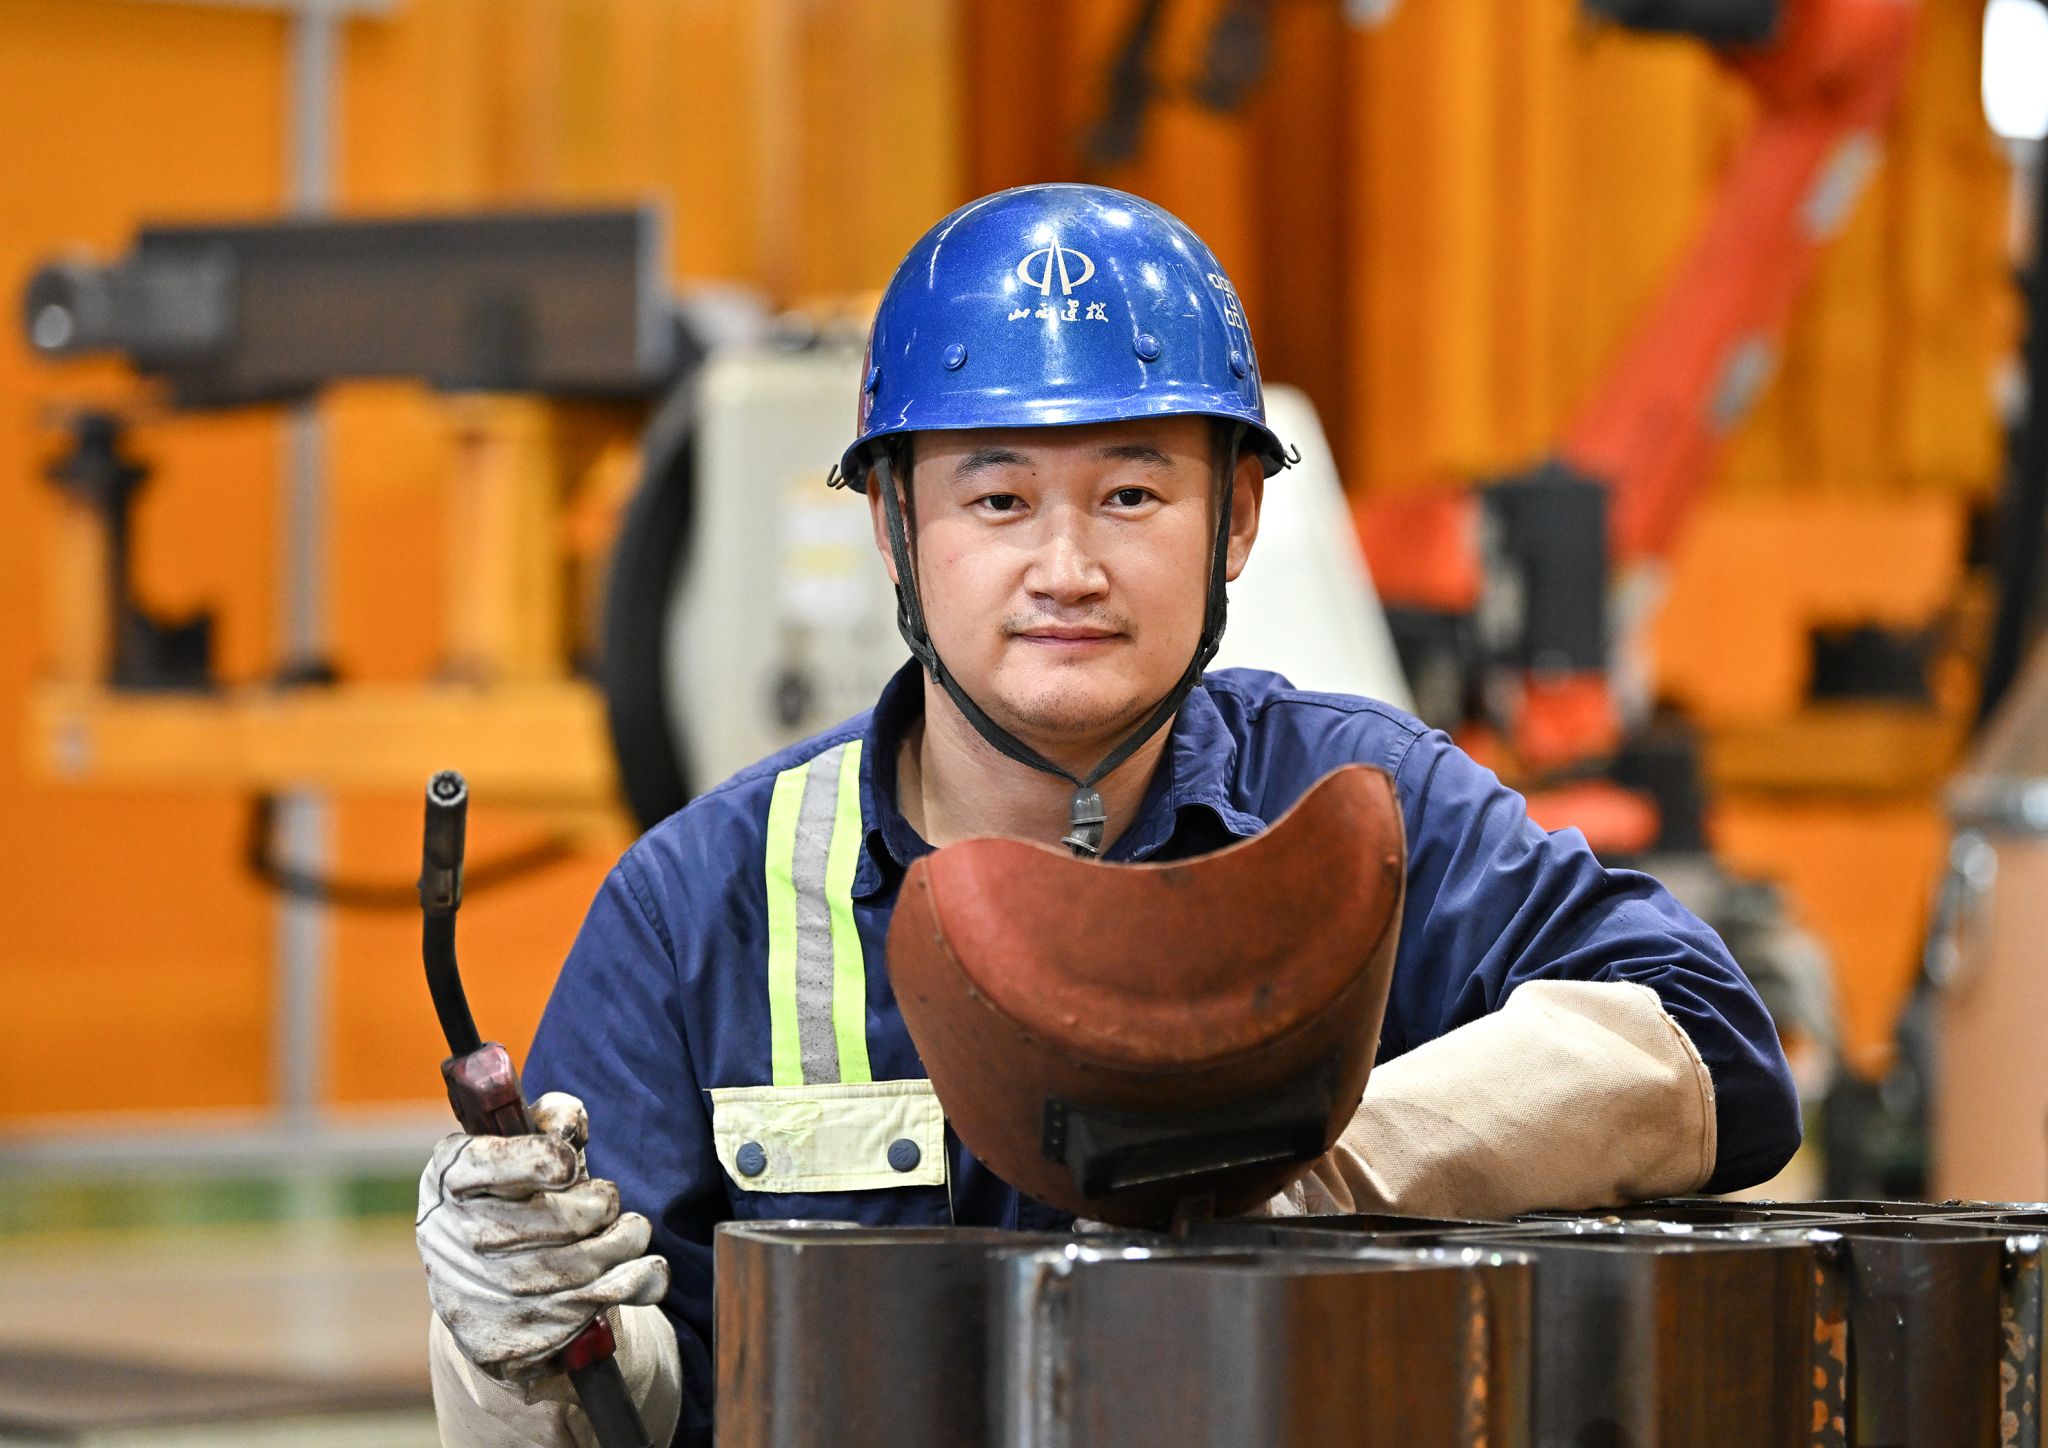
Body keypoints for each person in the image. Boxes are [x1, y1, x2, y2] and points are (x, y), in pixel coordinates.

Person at [415, 183, 1801, 1446]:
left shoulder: (1363, 808)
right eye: (999, 499)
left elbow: (1712, 1048)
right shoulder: (700, 905)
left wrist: (1335, 1168)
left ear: (1237, 520)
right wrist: (514, 1345)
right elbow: (628, 1400)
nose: (1066, 567)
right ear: (893, 525)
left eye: (1132, 494)